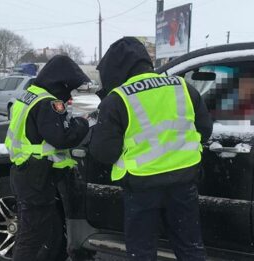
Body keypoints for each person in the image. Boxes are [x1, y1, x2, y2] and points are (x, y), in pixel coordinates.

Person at [89, 37, 213, 261]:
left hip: (142, 186)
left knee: (142, 251)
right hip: (184, 182)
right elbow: (204, 130)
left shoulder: (118, 99)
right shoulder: (183, 87)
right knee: (190, 247)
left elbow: (104, 152)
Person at [5, 55, 90, 261]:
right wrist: (83, 123)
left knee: (32, 231)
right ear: (60, 82)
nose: (68, 93)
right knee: (32, 235)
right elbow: (62, 137)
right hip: (37, 177)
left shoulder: (29, 95)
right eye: (68, 88)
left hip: (25, 171)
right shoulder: (48, 102)